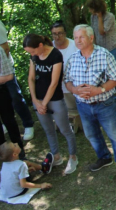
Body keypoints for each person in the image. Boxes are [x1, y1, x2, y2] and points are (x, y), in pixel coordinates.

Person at [64, 25, 116, 188]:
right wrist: (74, 90)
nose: (78, 41)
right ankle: (104, 157)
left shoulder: (104, 55)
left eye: (82, 37)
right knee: (91, 135)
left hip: (105, 104)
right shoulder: (73, 58)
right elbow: (67, 80)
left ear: (91, 38)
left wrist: (98, 90)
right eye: (76, 37)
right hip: (83, 105)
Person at [23, 34, 78, 175]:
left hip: (55, 99)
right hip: (39, 100)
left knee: (65, 130)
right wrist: (35, 100)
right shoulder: (34, 57)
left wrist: (44, 103)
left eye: (33, 51)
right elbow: (31, 79)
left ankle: (73, 157)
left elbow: (54, 83)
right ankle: (56, 156)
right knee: (49, 130)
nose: (32, 54)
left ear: (40, 46)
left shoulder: (55, 55)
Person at [0, 19, 35, 141]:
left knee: (15, 96)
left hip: (5, 69)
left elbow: (5, 48)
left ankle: (28, 124)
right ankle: (4, 124)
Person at [0, 46, 26, 161]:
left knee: (10, 123)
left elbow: (9, 75)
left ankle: (21, 158)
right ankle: (5, 162)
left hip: (1, 91)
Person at [51, 20, 79, 114]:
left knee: (77, 112)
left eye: (60, 33)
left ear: (65, 33)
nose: (57, 37)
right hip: (57, 88)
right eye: (54, 34)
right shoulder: (49, 48)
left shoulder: (75, 46)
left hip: (74, 86)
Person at [86, 0, 116, 65]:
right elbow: (93, 32)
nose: (89, 11)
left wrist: (100, 17)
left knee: (113, 69)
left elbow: (102, 32)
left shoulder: (109, 16)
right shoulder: (92, 17)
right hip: (99, 49)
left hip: (111, 49)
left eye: (91, 9)